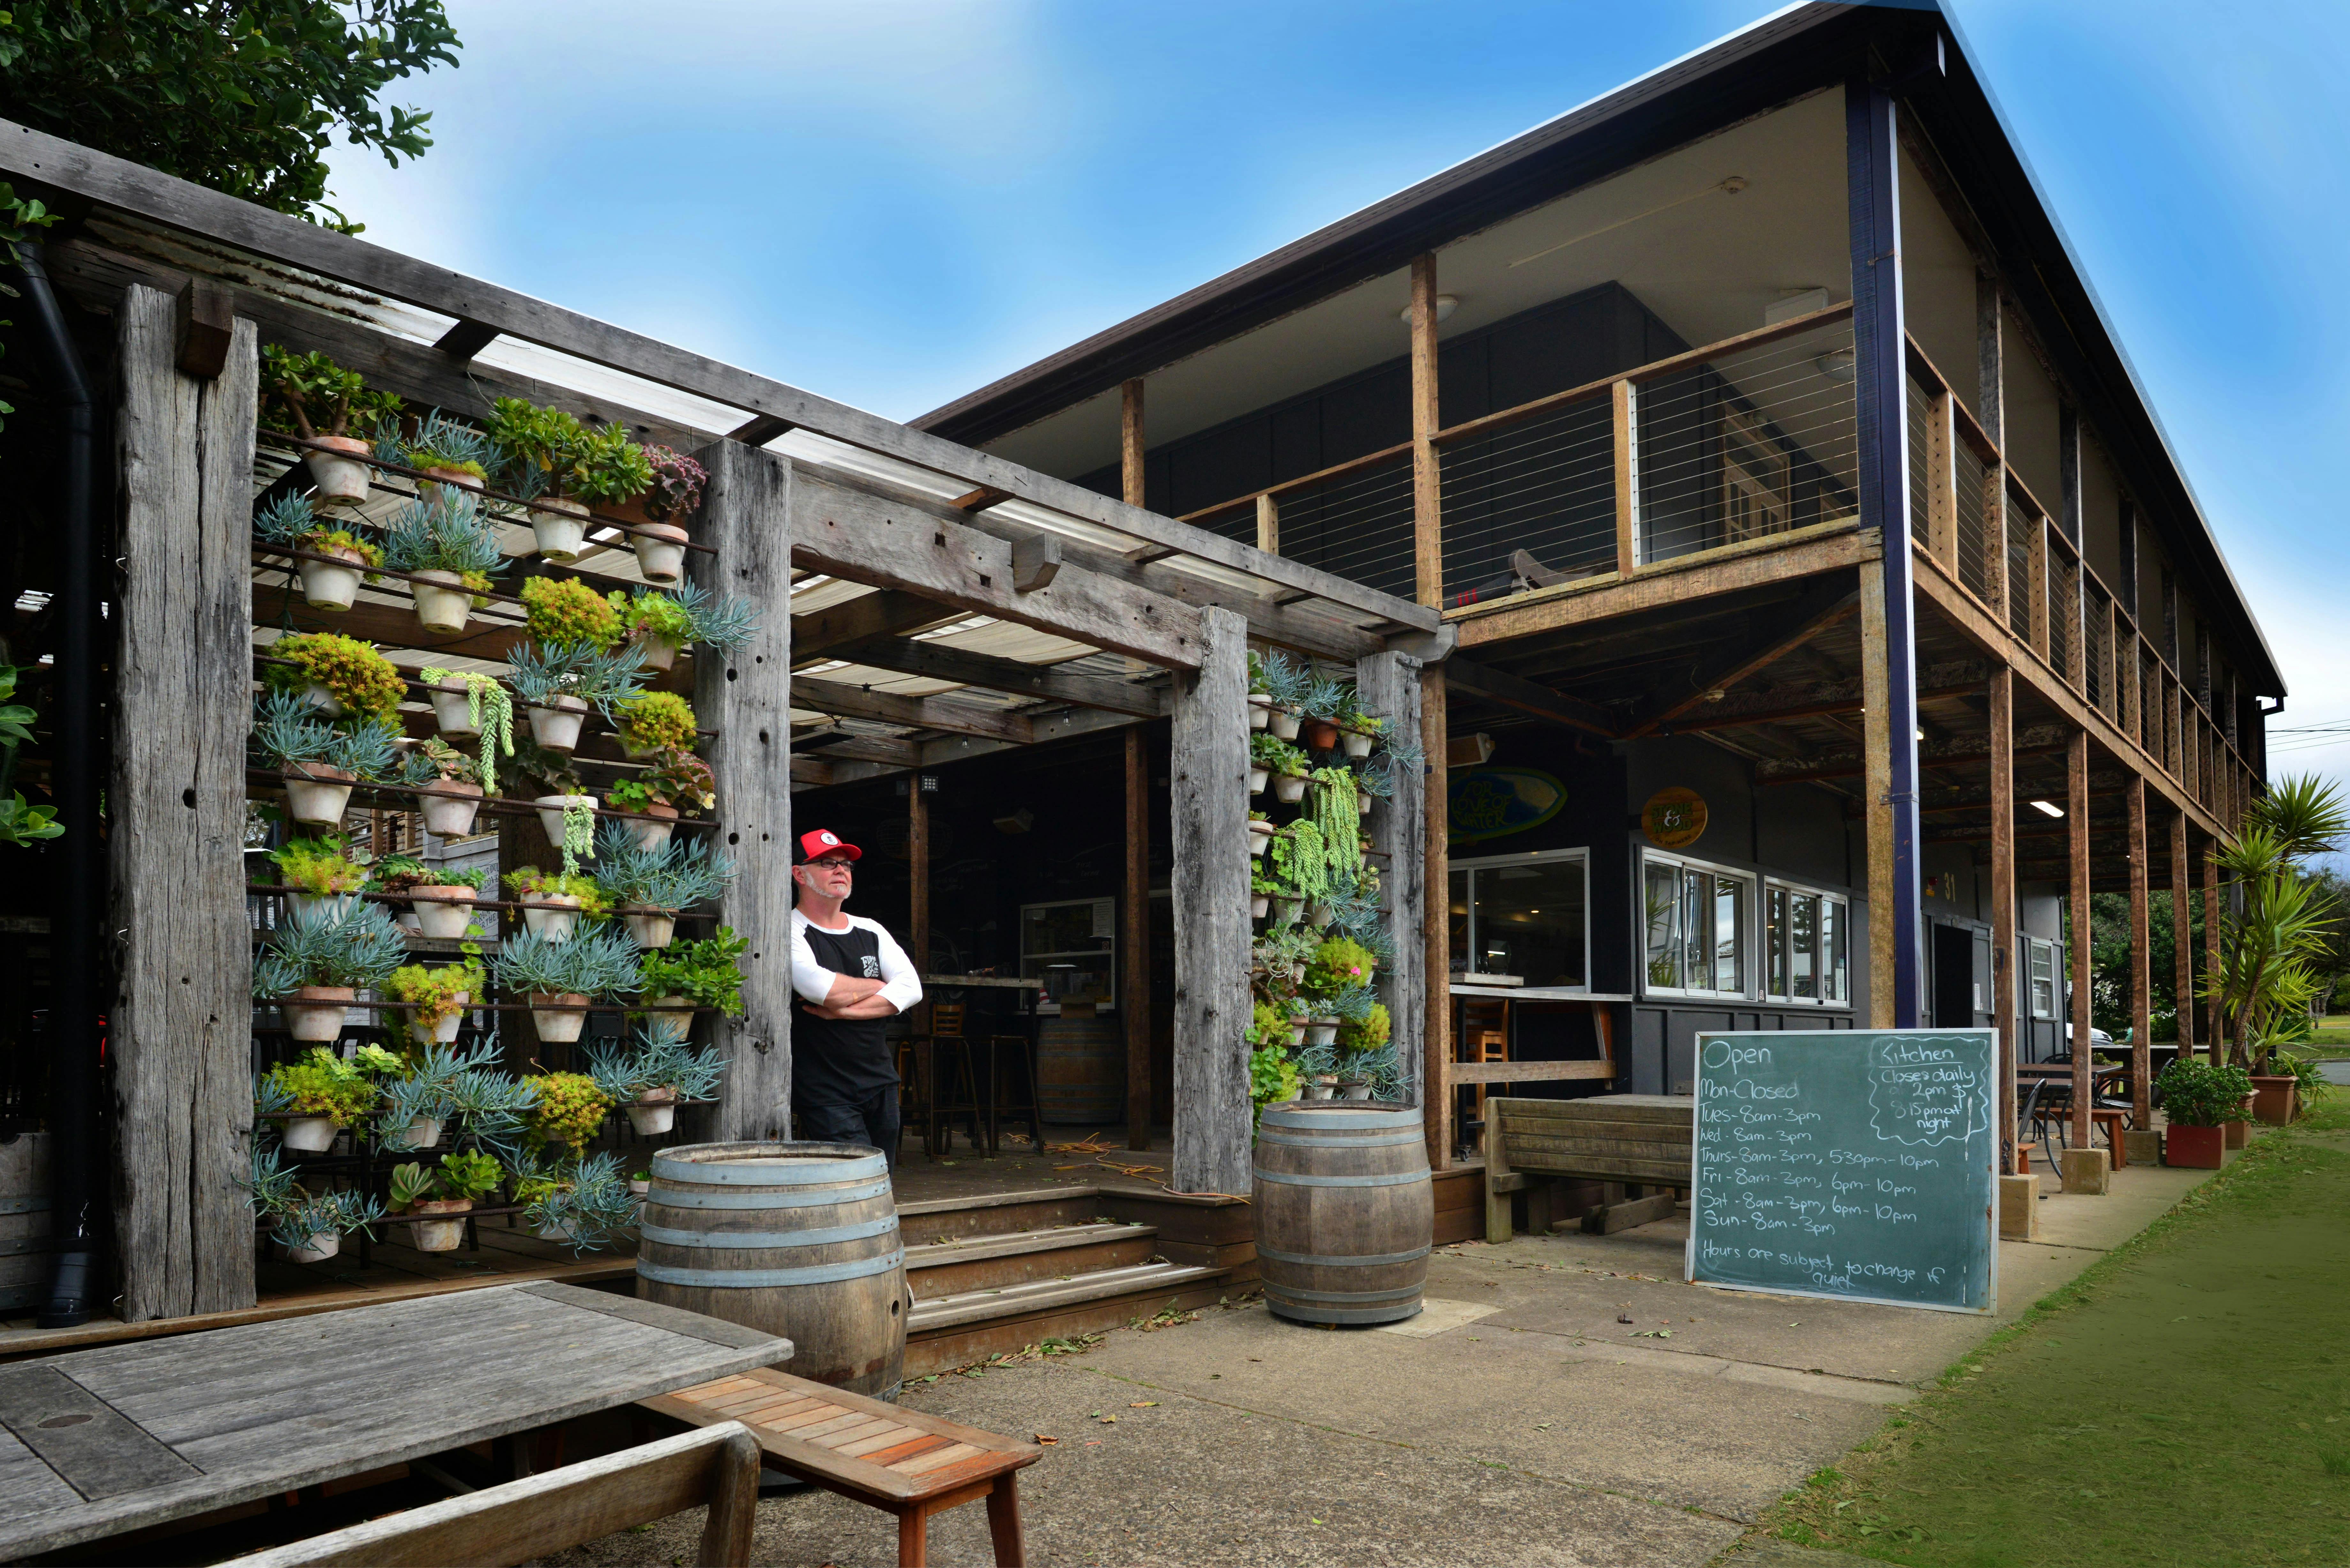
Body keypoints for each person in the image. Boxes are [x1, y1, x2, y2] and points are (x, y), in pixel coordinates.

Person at [788, 827, 922, 1161]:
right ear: (799, 874)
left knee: (882, 1178)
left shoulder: (871, 929)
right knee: (856, 1176)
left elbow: (911, 989)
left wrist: (843, 1011)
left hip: (880, 1079)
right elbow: (821, 989)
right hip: (825, 1087)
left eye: (846, 865)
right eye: (827, 863)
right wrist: (878, 988)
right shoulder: (788, 929)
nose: (840, 871)